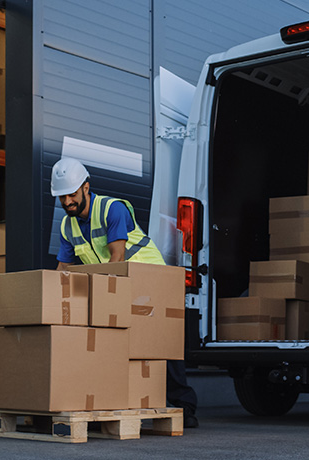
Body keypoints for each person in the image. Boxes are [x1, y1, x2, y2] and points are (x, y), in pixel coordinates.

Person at [52, 157, 199, 428]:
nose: (67, 202)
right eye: (62, 197)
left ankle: (184, 406)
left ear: (86, 188)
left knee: (161, 343)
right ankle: (112, 402)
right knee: (116, 343)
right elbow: (63, 269)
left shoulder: (112, 209)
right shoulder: (66, 226)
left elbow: (117, 257)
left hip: (152, 280)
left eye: (71, 195)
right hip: (118, 283)